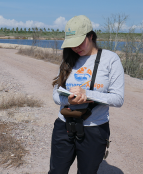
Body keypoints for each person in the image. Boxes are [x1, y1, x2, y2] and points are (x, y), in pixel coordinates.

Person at [49, 15, 125, 174]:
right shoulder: (68, 59)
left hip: (94, 130)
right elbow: (56, 95)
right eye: (72, 44)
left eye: (79, 42)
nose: (75, 48)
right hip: (64, 126)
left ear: (91, 36)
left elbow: (118, 99)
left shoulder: (111, 59)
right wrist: (69, 100)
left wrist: (88, 95)